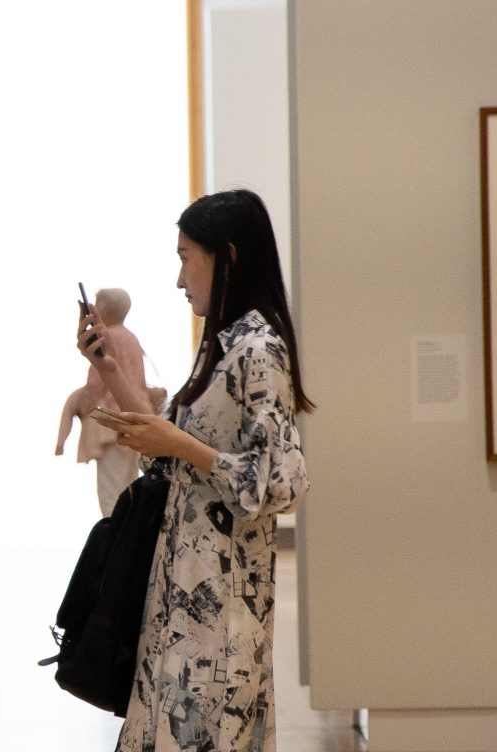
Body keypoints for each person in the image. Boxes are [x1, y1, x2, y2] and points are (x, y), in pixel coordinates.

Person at [76, 189, 313, 752]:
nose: (179, 279)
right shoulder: (226, 347)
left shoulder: (259, 351)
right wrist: (106, 367)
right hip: (184, 594)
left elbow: (280, 482)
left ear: (225, 257)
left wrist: (183, 447)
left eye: (186, 258)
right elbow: (169, 444)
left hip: (222, 611)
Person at [55, 288, 162, 517]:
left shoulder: (108, 338)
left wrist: (80, 403)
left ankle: (114, 543)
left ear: (103, 308)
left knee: (110, 492)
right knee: (128, 485)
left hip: (112, 423)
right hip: (135, 417)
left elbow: (96, 385)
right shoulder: (131, 337)